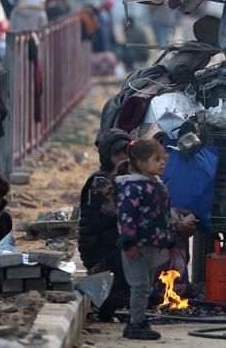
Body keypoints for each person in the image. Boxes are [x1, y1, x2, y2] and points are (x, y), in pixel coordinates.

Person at [115, 139, 179, 341]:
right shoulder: (133, 188)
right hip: (136, 247)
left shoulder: (159, 188)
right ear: (142, 164)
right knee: (140, 286)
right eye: (157, 159)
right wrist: (128, 243)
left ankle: (135, 320)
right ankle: (137, 324)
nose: (162, 163)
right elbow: (126, 217)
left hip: (153, 246)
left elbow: (165, 217)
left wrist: (170, 242)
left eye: (164, 159)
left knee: (146, 286)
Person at [78, 128, 131, 321]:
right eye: (118, 153)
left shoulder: (125, 179)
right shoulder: (100, 182)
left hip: (112, 249)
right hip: (101, 255)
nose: (124, 157)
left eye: (127, 151)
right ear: (107, 156)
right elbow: (127, 215)